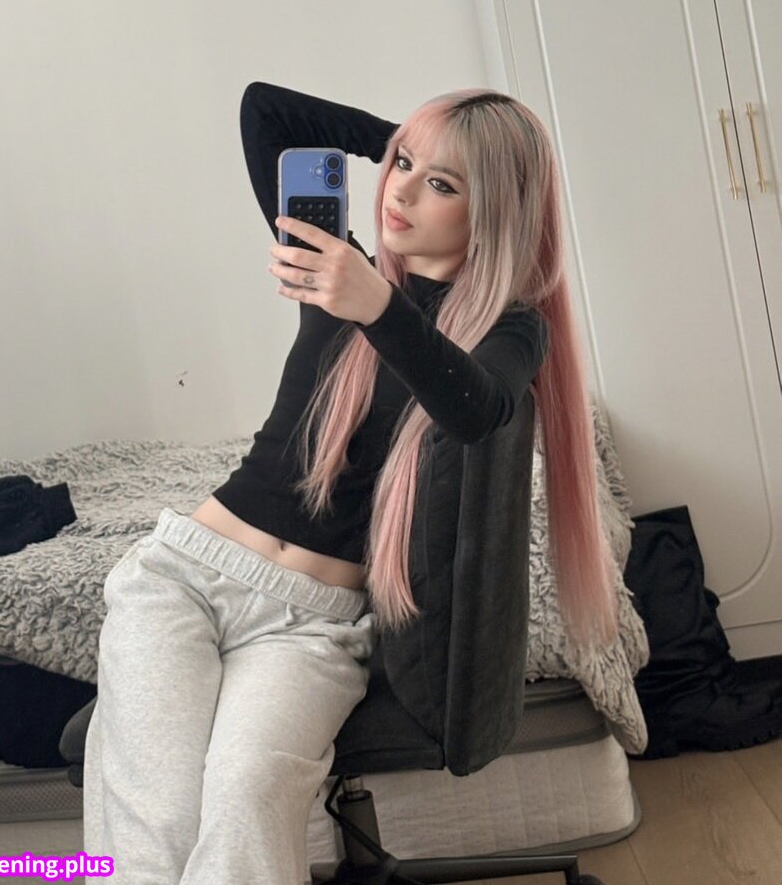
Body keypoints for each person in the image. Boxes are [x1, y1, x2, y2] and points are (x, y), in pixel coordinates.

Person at [82, 82, 617, 884]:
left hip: (310, 626)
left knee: (246, 800)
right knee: (156, 821)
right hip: (182, 577)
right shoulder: (336, 270)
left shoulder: (507, 328)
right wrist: (417, 144)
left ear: (492, 210)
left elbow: (476, 410)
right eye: (400, 167)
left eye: (442, 185)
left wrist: (378, 305)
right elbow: (264, 110)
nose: (399, 191)